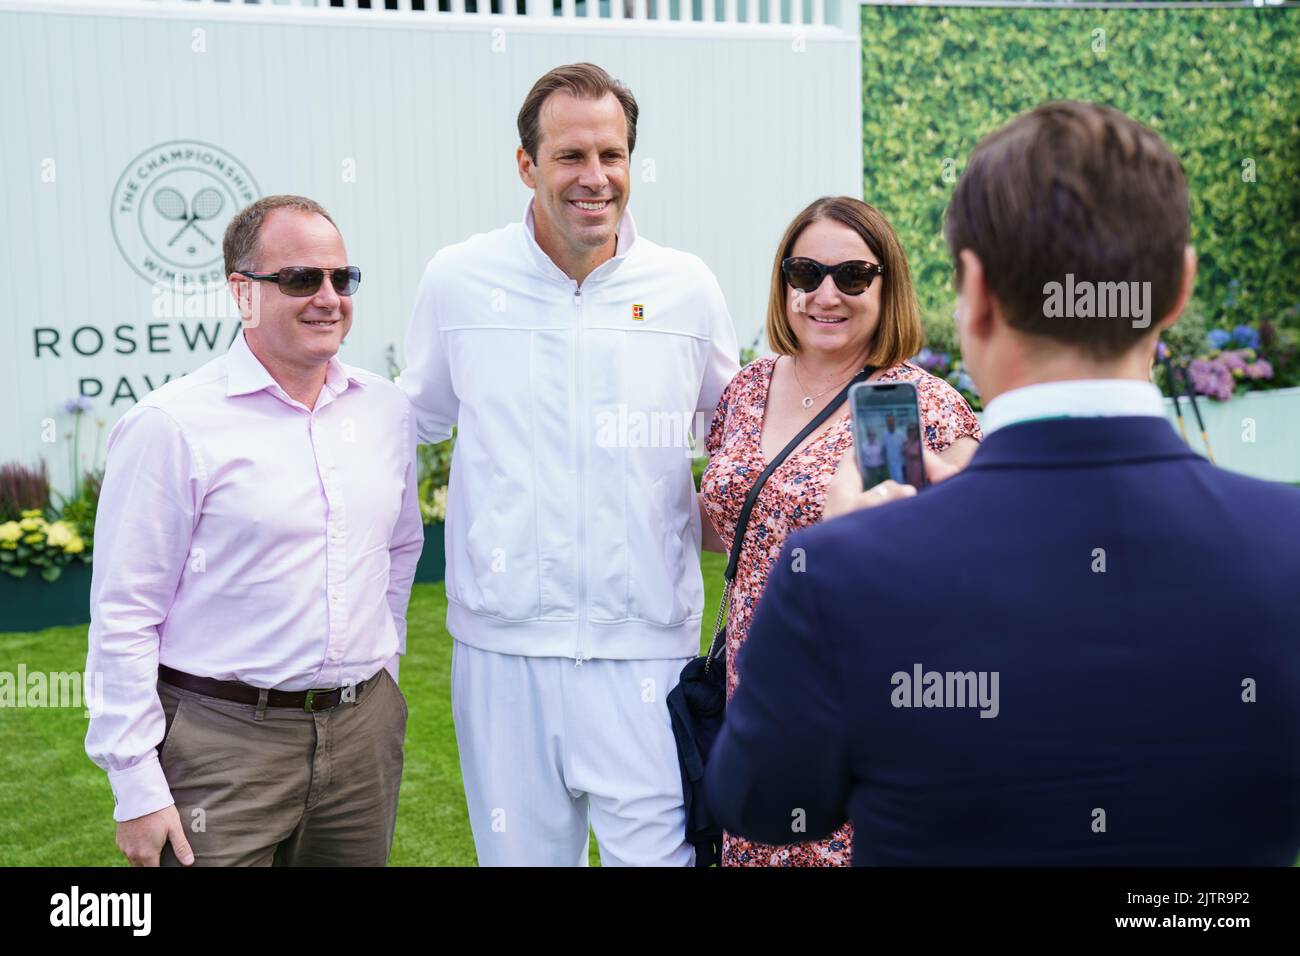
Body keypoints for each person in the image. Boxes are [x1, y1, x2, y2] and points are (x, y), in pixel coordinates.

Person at [706, 102, 1300, 865]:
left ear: (975, 292)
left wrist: (846, 548)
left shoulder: (838, 572)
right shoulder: (1283, 551)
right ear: (1178, 291)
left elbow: (762, 802)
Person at [398, 63, 739, 866]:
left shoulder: (686, 287)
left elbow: (740, 432)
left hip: (648, 654)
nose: (596, 178)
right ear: (527, 165)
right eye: (570, 157)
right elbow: (409, 422)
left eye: (612, 156)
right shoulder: (459, 279)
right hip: (502, 654)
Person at [85, 195, 422, 867]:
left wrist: (377, 670)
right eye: (300, 279)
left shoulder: (385, 411)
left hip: (363, 735)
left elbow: (398, 547)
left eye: (341, 278)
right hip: (219, 743)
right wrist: (135, 784)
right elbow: (124, 612)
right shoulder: (171, 425)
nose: (328, 297)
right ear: (242, 293)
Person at [698, 195, 980, 866]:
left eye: (852, 276)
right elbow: (729, 524)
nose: (826, 294)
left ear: (888, 289)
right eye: (805, 274)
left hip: (860, 700)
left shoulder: (924, 404)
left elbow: (962, 574)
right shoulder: (746, 389)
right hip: (753, 693)